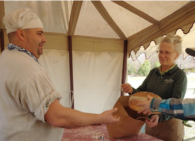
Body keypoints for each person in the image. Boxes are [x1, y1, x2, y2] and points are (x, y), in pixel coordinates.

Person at [0, 8, 119, 141]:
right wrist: (100, 118)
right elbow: (57, 116)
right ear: (21, 34)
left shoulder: (5, 58)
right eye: (39, 33)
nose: (44, 39)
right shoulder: (25, 68)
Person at [122, 35, 187, 141]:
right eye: (160, 51)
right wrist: (131, 90)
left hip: (169, 126)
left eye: (167, 52)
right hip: (151, 123)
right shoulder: (154, 72)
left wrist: (159, 116)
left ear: (176, 55)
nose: (162, 55)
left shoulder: (179, 75)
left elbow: (176, 104)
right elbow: (142, 92)